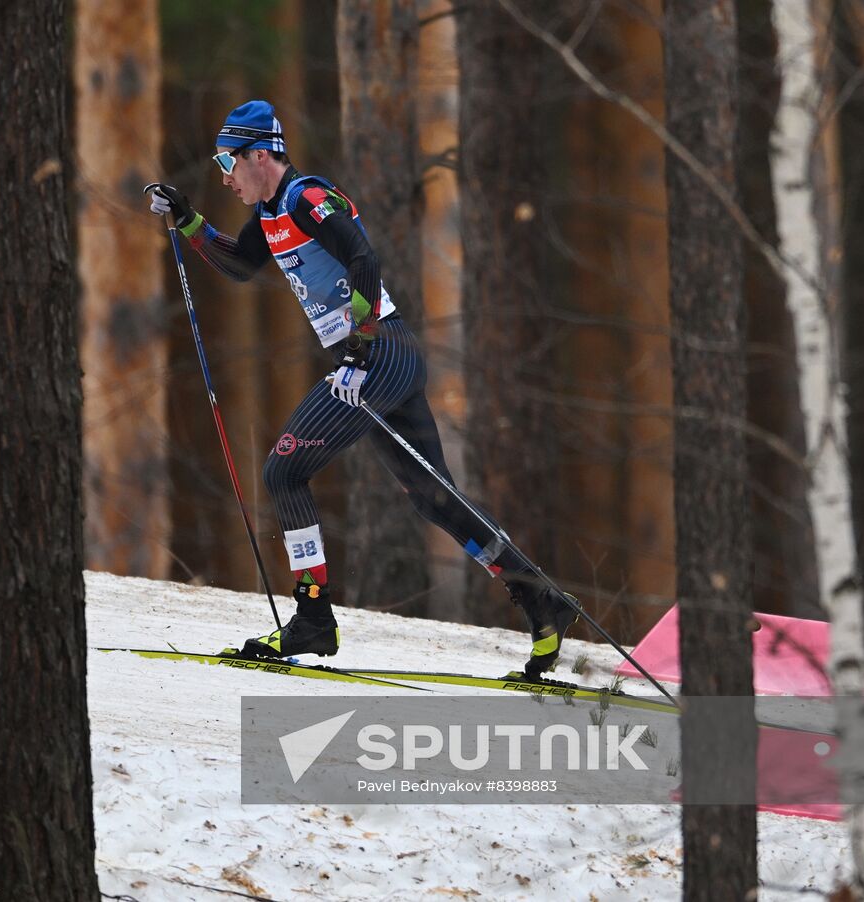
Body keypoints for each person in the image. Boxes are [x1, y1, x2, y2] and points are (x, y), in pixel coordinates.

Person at [148, 100, 578, 681]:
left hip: (378, 355)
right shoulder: (271, 213)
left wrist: (359, 346)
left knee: (283, 471)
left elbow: (362, 256)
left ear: (259, 154)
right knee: (435, 498)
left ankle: (313, 619)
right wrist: (189, 220)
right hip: (376, 360)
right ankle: (541, 599)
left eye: (228, 159)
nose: (224, 175)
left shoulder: (304, 197)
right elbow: (243, 265)